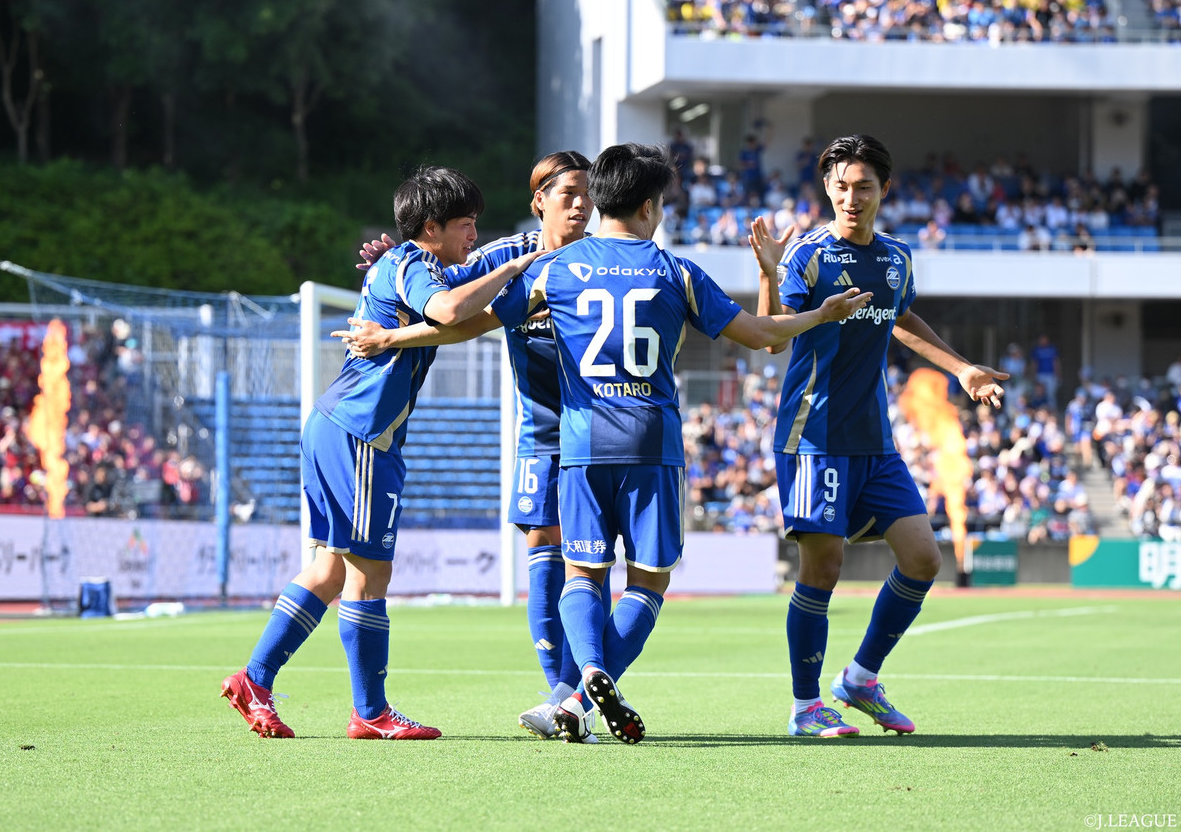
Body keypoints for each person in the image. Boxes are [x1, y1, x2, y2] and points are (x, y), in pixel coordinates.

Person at [487, 142, 871, 744]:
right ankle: (588, 686)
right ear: (646, 206)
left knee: (583, 574)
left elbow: (477, 316)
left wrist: (399, 333)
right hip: (652, 445)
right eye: (661, 202)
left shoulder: (553, 268)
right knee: (648, 582)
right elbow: (761, 333)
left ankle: (579, 681)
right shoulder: (675, 270)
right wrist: (820, 316)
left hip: (582, 442)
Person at [220, 166, 543, 740]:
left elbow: (456, 313)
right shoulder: (414, 265)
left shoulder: (404, 262)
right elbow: (447, 312)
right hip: (364, 435)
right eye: (466, 225)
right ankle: (370, 712)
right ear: (431, 226)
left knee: (326, 570)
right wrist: (519, 266)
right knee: (370, 573)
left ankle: (255, 679)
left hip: (332, 424)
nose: (474, 235)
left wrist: (508, 284)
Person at [341, 151, 611, 743]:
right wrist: (394, 261)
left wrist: (391, 335)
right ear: (538, 199)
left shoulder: (607, 258)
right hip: (541, 429)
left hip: (601, 432)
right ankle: (558, 695)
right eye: (568, 191)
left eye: (588, 192)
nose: (581, 202)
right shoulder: (503, 257)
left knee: (589, 556)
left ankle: (575, 691)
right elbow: (451, 307)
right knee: (544, 542)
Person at [751, 133, 1007, 738]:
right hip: (812, 437)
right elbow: (770, 336)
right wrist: (767, 275)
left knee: (923, 558)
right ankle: (805, 705)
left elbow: (900, 316)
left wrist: (962, 367)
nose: (851, 196)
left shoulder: (896, 258)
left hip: (875, 440)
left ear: (883, 190)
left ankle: (861, 678)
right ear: (826, 189)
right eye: (840, 185)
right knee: (824, 567)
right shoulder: (808, 257)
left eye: (863, 185)